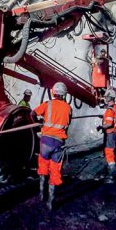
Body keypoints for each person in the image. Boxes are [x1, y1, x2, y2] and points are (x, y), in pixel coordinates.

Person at [32, 82, 72, 210]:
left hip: (45, 142)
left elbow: (32, 114)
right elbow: (67, 124)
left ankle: (41, 195)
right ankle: (50, 202)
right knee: (55, 172)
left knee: (43, 168)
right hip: (58, 143)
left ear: (53, 92)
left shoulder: (47, 104)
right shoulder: (68, 108)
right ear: (64, 94)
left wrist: (39, 123)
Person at [96, 88, 116, 184]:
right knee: (113, 154)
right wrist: (104, 117)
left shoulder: (110, 110)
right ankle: (110, 173)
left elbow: (109, 123)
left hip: (110, 134)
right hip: (115, 134)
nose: (105, 98)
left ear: (110, 97)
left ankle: (111, 177)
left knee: (109, 154)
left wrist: (101, 126)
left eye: (106, 96)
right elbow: (113, 119)